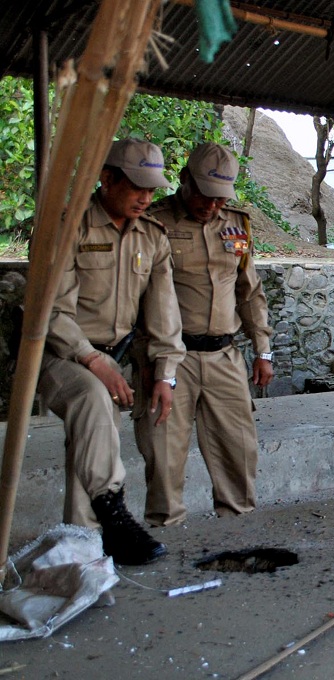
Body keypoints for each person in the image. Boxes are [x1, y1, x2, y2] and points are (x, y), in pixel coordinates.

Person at [36, 138, 185, 565]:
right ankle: (113, 512)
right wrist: (93, 360)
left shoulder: (152, 237)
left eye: (152, 189)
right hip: (56, 354)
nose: (146, 197)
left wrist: (165, 375)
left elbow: (164, 315)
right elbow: (51, 310)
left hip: (110, 356)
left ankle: (83, 545)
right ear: (106, 179)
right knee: (92, 397)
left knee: (91, 427)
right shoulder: (69, 226)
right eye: (137, 186)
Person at [136, 142, 274, 526]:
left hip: (225, 356)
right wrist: (147, 359)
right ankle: (168, 533)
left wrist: (263, 349)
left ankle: (236, 534)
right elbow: (138, 296)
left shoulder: (236, 224)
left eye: (220, 198)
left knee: (239, 451)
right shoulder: (154, 221)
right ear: (184, 181)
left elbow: (249, 292)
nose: (212, 205)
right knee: (164, 454)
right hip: (170, 359)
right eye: (204, 195)